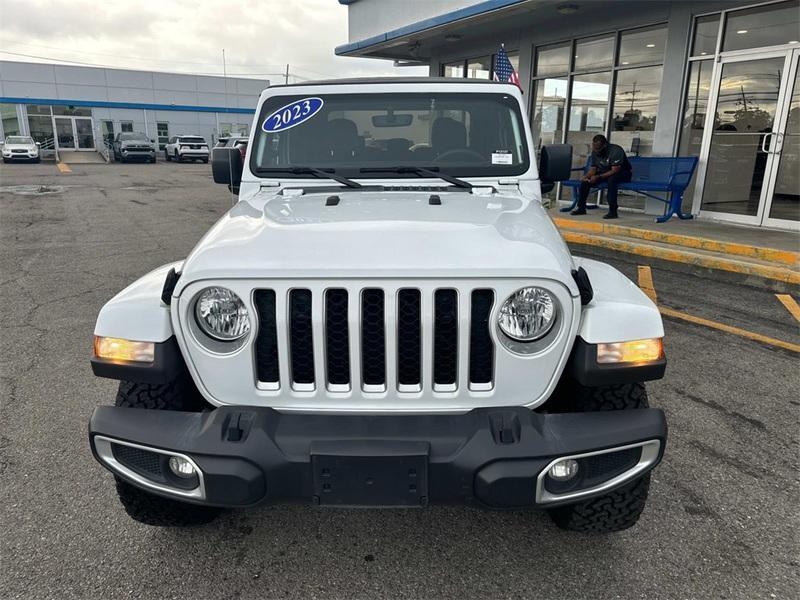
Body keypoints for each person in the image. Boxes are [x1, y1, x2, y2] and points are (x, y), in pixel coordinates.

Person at [571, 134, 632, 219]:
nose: (597, 151)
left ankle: (613, 211)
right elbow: (593, 168)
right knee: (585, 183)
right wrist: (587, 176)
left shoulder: (616, 150)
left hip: (622, 173)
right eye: (595, 149)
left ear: (605, 145)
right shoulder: (594, 151)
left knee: (612, 180)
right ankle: (581, 208)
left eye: (599, 149)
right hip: (604, 172)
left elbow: (615, 170)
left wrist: (599, 177)